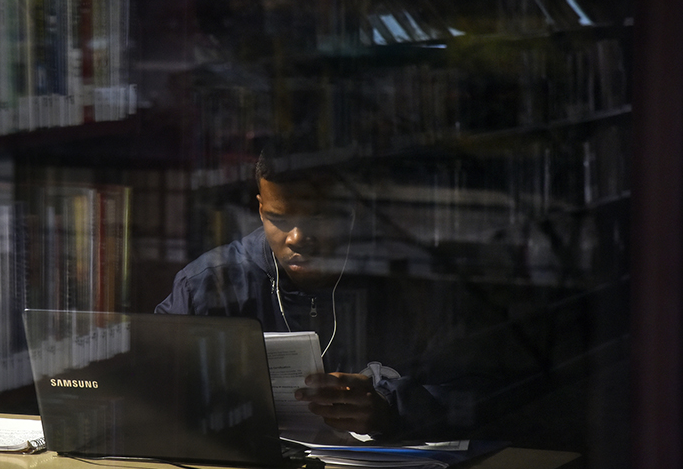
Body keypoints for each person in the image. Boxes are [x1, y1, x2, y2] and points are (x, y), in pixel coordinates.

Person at [156, 149, 506, 443]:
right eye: (279, 218)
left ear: (351, 210)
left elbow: (486, 395)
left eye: (319, 218)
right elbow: (152, 388)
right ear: (261, 209)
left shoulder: (414, 284)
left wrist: (392, 409)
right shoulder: (207, 285)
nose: (296, 238)